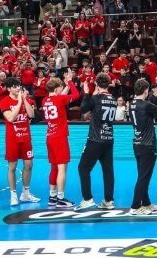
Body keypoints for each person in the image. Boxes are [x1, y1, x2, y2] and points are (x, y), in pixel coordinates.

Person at [75, 73, 118, 211]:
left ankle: (87, 199)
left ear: (97, 85)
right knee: (108, 170)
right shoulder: (114, 99)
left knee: (83, 168)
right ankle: (109, 201)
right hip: (108, 139)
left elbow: (83, 109)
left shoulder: (95, 98)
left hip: (95, 139)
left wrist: (87, 93)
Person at [129, 79, 157, 215]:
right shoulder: (145, 105)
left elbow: (148, 106)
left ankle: (146, 202)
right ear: (146, 91)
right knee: (144, 177)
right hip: (148, 145)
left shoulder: (132, 103)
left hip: (137, 143)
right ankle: (135, 206)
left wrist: (154, 97)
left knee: (142, 175)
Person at [0, 77, 40, 207]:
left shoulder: (27, 100)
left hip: (26, 138)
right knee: (12, 167)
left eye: (18, 86)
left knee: (29, 164)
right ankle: (13, 195)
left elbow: (31, 115)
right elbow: (11, 118)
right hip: (12, 139)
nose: (18, 88)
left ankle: (25, 193)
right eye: (15, 86)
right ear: (9, 89)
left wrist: (24, 100)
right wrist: (19, 102)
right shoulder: (5, 101)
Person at [41, 71, 79, 208]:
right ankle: (61, 198)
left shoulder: (45, 100)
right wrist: (70, 82)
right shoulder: (60, 99)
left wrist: (66, 84)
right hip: (60, 137)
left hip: (50, 136)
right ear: (57, 89)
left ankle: (52, 197)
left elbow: (61, 97)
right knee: (62, 167)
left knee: (54, 167)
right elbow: (76, 95)